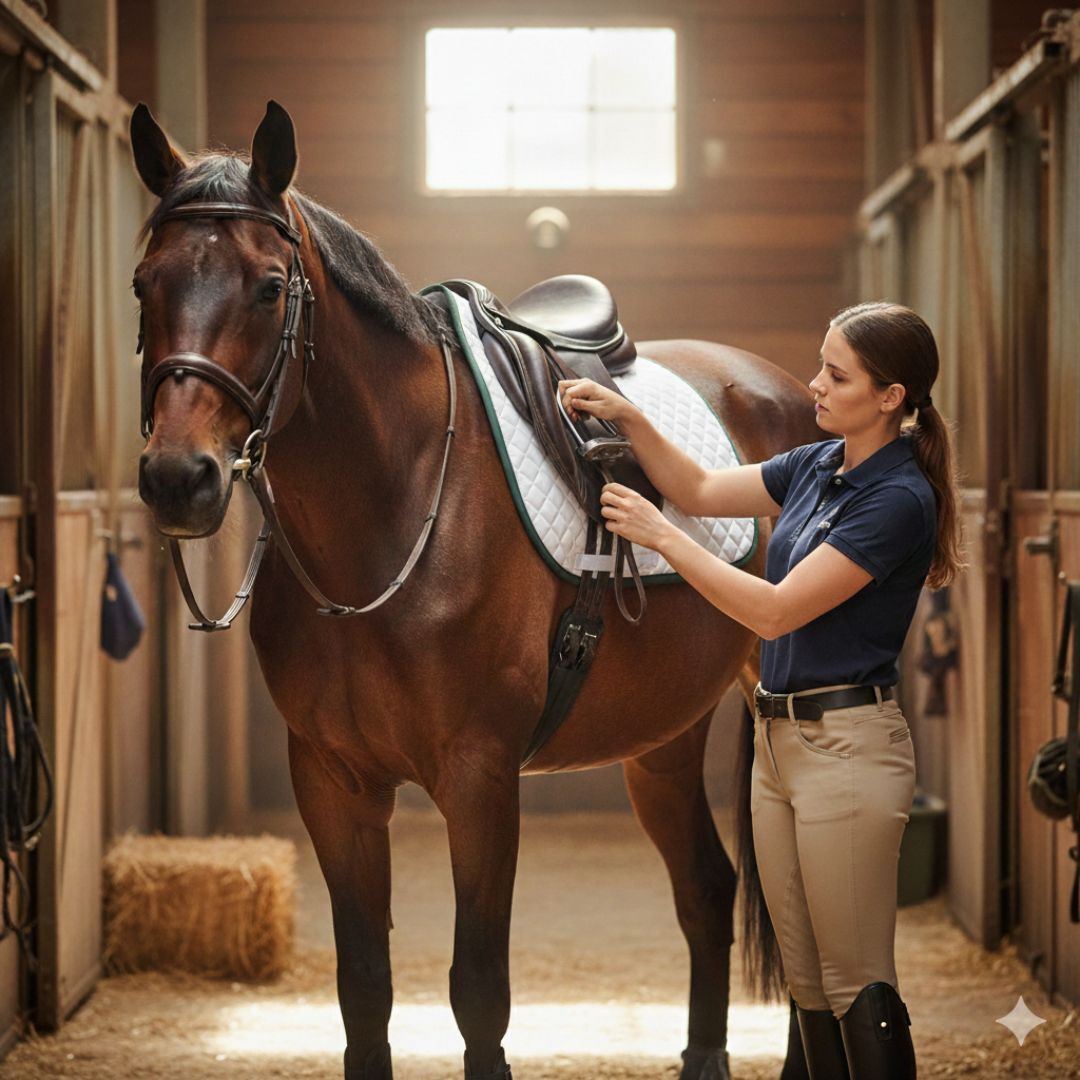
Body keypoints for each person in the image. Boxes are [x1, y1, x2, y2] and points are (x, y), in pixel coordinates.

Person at [558, 301, 962, 1079]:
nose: (815, 385)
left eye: (837, 375)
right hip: (779, 748)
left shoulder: (897, 501)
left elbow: (774, 612)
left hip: (846, 751)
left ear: (890, 397)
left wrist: (661, 536)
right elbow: (704, 486)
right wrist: (629, 419)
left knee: (855, 981)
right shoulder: (818, 465)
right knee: (807, 983)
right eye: (819, 364)